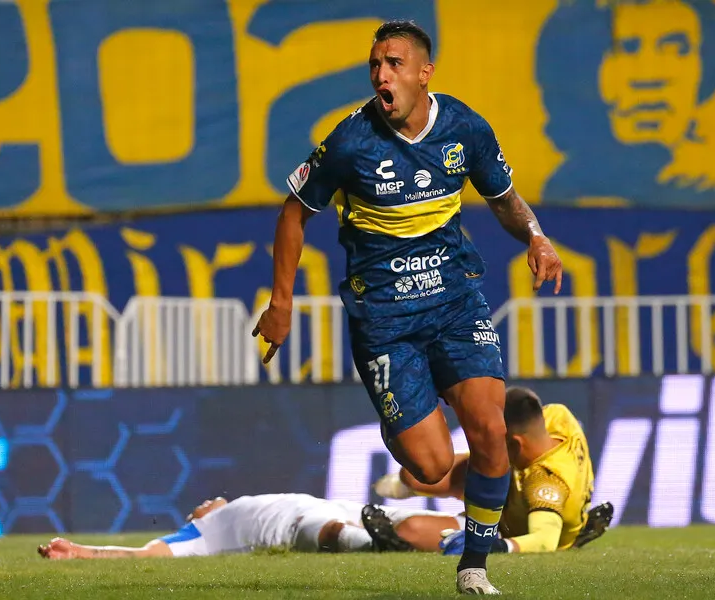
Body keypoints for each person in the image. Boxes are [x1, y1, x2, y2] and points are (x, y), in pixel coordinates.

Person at [252, 19, 563, 595]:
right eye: (375, 65)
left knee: (492, 428)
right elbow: (293, 213)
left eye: (393, 64)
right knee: (431, 467)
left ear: (425, 72)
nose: (381, 75)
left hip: (455, 301)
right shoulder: (349, 142)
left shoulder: (464, 127)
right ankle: (408, 425)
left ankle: (473, 566)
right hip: (386, 321)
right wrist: (280, 305)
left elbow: (504, 198)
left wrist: (537, 237)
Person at [371, 386, 612, 553]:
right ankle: (577, 530)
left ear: (517, 443)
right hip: (513, 481)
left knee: (409, 531)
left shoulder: (546, 484)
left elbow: (543, 541)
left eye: (500, 440)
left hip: (508, 527)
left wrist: (494, 547)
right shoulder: (558, 417)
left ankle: (571, 539)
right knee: (415, 476)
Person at [37, 493, 462, 560]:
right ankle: (373, 546)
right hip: (293, 524)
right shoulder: (201, 534)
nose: (203, 502)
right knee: (326, 527)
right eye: (196, 507)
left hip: (341, 505)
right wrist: (79, 550)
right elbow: (148, 555)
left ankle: (475, 534)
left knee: (409, 520)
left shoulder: (243, 499)